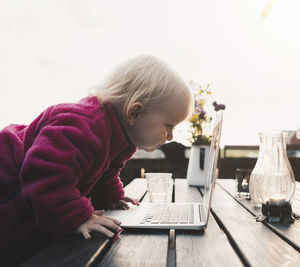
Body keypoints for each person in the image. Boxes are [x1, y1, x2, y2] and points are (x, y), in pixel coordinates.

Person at [0, 55, 193, 266]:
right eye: (169, 125)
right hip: (9, 194)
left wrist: (112, 196)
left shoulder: (117, 137)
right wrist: (78, 217)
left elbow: (104, 171)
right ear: (135, 112)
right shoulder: (83, 125)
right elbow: (44, 176)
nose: (171, 136)